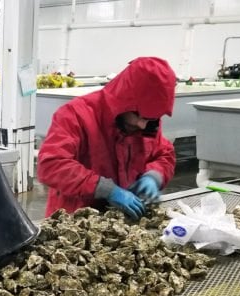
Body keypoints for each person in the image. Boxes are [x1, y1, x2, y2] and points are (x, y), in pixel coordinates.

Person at [37, 56, 177, 220]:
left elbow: (164, 154)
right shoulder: (76, 115)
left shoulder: (148, 122)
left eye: (151, 119)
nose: (143, 125)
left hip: (124, 220)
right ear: (124, 101)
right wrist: (105, 189)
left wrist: (153, 176)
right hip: (75, 220)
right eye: (140, 116)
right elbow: (51, 165)